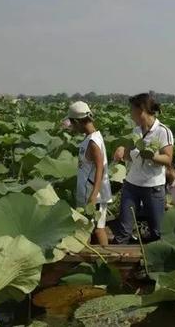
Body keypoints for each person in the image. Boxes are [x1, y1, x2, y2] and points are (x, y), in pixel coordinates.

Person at [112, 93, 174, 243]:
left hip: (152, 187)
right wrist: (121, 152)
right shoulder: (136, 131)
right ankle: (119, 262)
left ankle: (156, 263)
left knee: (157, 231)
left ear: (141, 110)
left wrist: (151, 156)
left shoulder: (163, 131)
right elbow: (131, 156)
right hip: (131, 185)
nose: (130, 114)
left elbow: (168, 159)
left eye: (132, 110)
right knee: (124, 229)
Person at [64, 101, 112, 246]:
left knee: (98, 229)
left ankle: (107, 261)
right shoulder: (91, 138)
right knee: (89, 229)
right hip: (88, 193)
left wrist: (94, 195)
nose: (72, 127)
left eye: (72, 123)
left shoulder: (93, 142)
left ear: (78, 122)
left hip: (93, 196)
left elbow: (100, 168)